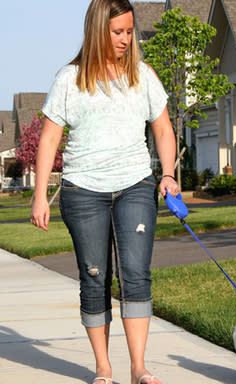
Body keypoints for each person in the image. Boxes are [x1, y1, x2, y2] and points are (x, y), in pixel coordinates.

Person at [30, 1, 179, 383]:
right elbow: (49, 139)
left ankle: (139, 368)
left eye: (130, 31)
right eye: (118, 32)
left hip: (135, 184)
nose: (126, 39)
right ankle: (103, 368)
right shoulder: (70, 78)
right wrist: (40, 194)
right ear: (98, 31)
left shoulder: (142, 76)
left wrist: (168, 173)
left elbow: (162, 127)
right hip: (83, 190)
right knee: (95, 276)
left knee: (136, 274)